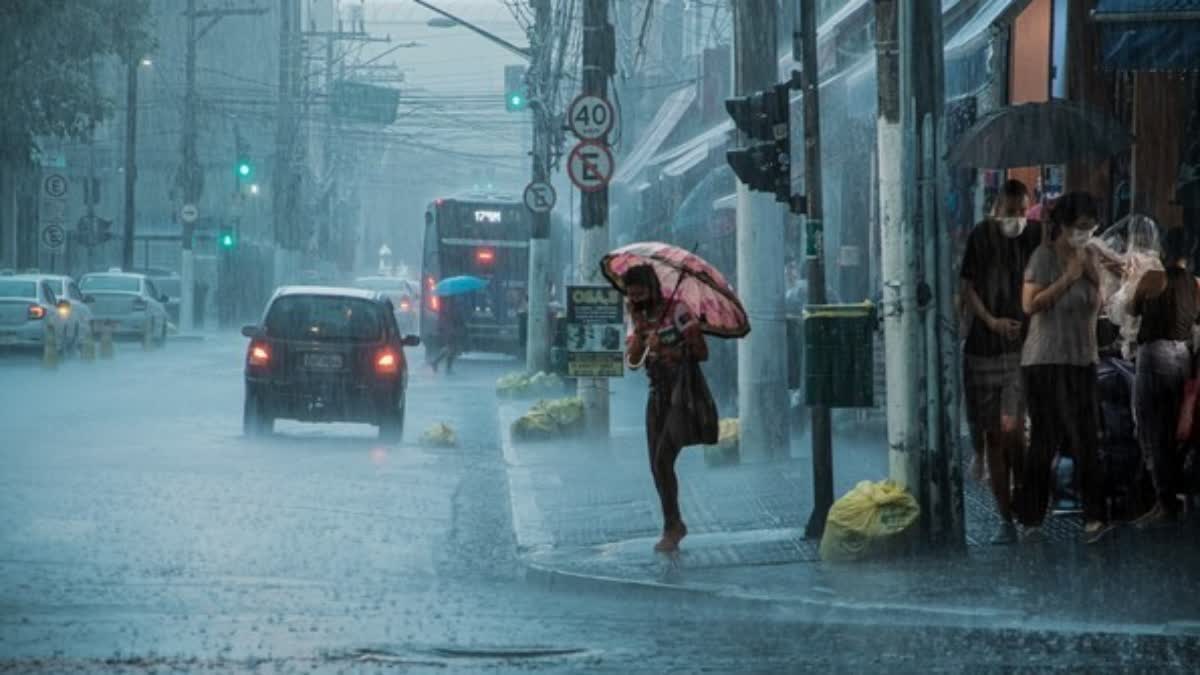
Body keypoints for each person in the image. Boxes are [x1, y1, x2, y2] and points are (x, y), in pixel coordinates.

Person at [1020, 192, 1110, 543]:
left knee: (1088, 440)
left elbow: (1096, 305)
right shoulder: (1043, 257)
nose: (1085, 234)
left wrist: (1093, 276)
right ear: (1064, 226)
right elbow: (1029, 305)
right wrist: (1068, 278)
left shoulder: (1090, 256)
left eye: (1091, 227)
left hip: (1083, 359)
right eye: (1080, 227)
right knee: (1045, 440)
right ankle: (1030, 516)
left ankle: (1095, 518)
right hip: (1046, 360)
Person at [959, 179, 1040, 544]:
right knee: (994, 433)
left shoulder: (1037, 236)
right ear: (997, 209)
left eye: (1023, 212)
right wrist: (991, 321)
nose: (1017, 219)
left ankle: (1023, 493)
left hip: (1022, 348)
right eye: (1011, 213)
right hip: (983, 347)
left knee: (1014, 428)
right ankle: (1004, 514)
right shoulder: (980, 236)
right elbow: (967, 288)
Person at [623, 264, 709, 553]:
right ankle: (673, 522)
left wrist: (667, 349)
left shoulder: (678, 311)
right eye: (631, 296)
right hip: (656, 395)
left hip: (680, 395)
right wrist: (638, 332)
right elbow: (633, 363)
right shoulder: (638, 317)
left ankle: (672, 527)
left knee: (663, 460)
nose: (635, 300)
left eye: (640, 294)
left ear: (652, 289)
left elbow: (701, 352)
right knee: (656, 467)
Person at [1128, 226, 1199, 527]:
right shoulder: (1196, 284)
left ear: (1163, 250)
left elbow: (1131, 309)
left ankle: (1163, 503)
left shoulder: (1153, 277)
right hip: (1182, 356)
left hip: (1154, 356)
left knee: (1152, 428)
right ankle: (1170, 497)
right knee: (1174, 429)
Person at [431, 294, 466, 374]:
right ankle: (446, 367)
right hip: (451, 330)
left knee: (451, 348)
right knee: (452, 349)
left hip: (450, 329)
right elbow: (451, 316)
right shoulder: (450, 303)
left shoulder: (450, 301)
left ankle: (437, 363)